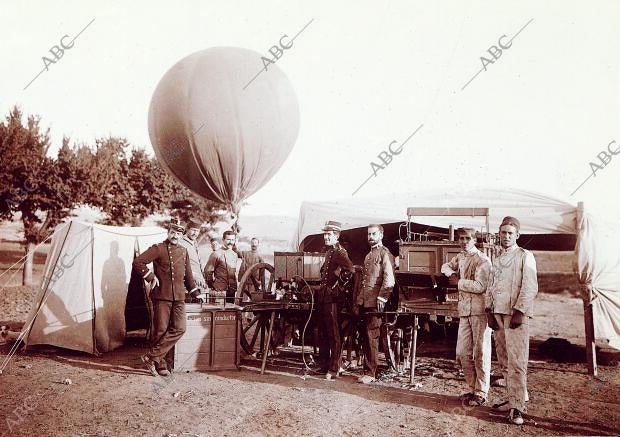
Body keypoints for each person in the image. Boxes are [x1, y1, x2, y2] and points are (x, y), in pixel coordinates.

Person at [485, 216, 538, 425]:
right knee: (504, 360)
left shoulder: (525, 256)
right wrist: (489, 311)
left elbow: (530, 286)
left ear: (517, 235)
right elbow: (490, 287)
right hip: (498, 314)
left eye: (510, 233)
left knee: (517, 362)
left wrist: (520, 311)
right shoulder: (497, 260)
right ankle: (512, 399)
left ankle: (517, 408)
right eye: (503, 233)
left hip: (516, 315)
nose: (505, 237)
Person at [133, 218, 201, 377]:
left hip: (179, 297)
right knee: (161, 330)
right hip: (161, 295)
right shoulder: (159, 248)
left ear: (181, 235)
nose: (175, 236)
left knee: (180, 328)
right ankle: (161, 364)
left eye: (178, 233)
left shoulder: (184, 251)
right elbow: (138, 262)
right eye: (172, 232)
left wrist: (195, 292)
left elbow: (188, 276)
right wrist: (150, 276)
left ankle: (151, 357)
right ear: (168, 233)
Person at [441, 227, 492, 405]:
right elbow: (446, 265)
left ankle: (481, 391)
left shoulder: (482, 260)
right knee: (462, 352)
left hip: (479, 311)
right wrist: (450, 272)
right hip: (464, 311)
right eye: (461, 238)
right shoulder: (460, 257)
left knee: (480, 352)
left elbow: (481, 286)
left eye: (467, 238)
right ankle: (471, 388)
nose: (464, 241)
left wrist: (458, 282)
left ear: (475, 239)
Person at [356, 224, 395, 384]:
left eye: (374, 234)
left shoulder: (385, 254)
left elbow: (389, 280)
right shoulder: (368, 256)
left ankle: (371, 373)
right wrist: (359, 299)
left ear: (381, 235)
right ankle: (367, 370)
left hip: (376, 302)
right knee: (366, 335)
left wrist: (382, 298)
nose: (370, 237)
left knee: (372, 336)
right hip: (365, 302)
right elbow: (365, 282)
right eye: (369, 234)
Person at [316, 220, 354, 380]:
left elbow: (350, 270)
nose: (326, 237)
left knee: (333, 334)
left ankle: (334, 368)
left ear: (336, 236)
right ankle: (324, 364)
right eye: (325, 234)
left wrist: (336, 287)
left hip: (332, 299)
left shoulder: (340, 252)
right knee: (323, 332)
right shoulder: (329, 251)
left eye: (329, 234)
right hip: (324, 298)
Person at [204, 230, 243, 303]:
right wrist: (212, 286)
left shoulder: (234, 255)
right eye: (228, 239)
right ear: (223, 240)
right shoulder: (216, 254)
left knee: (230, 312)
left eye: (232, 240)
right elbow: (207, 271)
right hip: (219, 290)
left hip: (231, 290)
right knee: (218, 312)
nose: (230, 242)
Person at [179, 217, 207, 289]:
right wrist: (194, 276)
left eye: (197, 231)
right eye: (193, 230)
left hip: (198, 284)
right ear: (187, 229)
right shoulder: (180, 243)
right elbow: (180, 265)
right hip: (187, 285)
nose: (195, 233)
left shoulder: (195, 243)